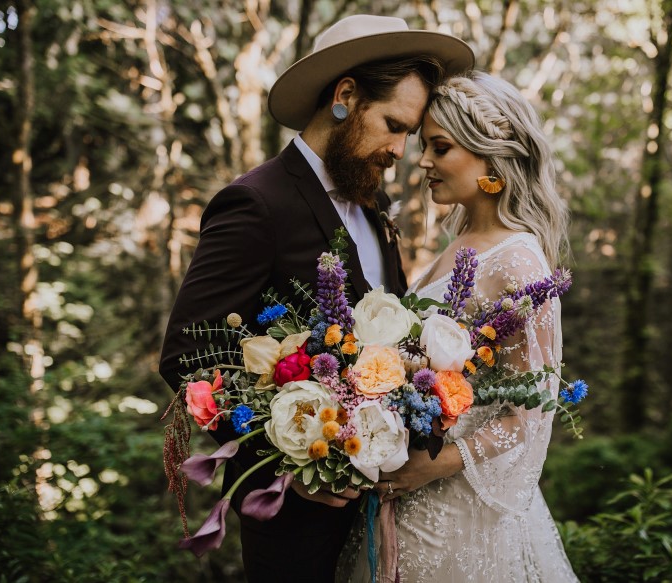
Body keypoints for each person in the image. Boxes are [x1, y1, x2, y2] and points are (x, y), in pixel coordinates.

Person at [158, 14, 474, 583]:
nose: (401, 151)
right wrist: (285, 467)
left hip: (382, 511)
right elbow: (187, 353)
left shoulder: (373, 209)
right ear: (345, 97)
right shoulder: (256, 202)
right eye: (393, 126)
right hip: (295, 525)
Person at [344, 71, 579, 582]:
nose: (422, 160)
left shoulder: (517, 262)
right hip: (407, 494)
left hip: (456, 509)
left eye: (440, 147)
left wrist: (437, 463)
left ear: (491, 157)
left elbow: (530, 413)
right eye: (424, 145)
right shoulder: (463, 240)